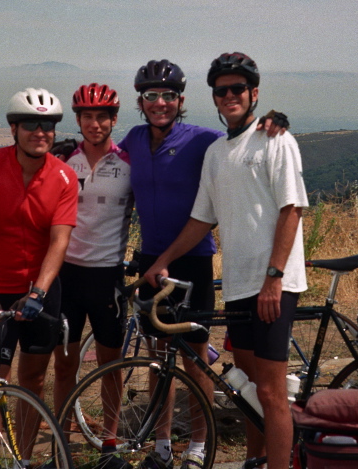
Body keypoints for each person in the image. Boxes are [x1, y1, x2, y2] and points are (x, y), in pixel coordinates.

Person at [118, 60, 288, 469]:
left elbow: (241, 139)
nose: (161, 103)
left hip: (191, 261)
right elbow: (104, 155)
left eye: (169, 96)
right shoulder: (134, 140)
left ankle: (197, 442)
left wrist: (271, 120)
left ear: (181, 100)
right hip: (150, 262)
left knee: (195, 360)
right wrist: (70, 149)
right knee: (157, 359)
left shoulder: (202, 140)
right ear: (140, 102)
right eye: (151, 96)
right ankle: (161, 442)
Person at [0, 87, 78, 460]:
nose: (40, 132)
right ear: (13, 129)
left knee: (34, 379)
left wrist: (39, 292)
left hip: (40, 292)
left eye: (48, 125)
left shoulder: (64, 177)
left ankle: (23, 458)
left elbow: (60, 241)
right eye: (30, 124)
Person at [51, 83, 134, 469]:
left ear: (114, 119)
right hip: (67, 276)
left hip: (108, 277)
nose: (95, 123)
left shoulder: (130, 162)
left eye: (102, 116)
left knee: (110, 366)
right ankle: (61, 445)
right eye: (87, 116)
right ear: (78, 119)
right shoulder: (64, 160)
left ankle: (110, 444)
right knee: (65, 365)